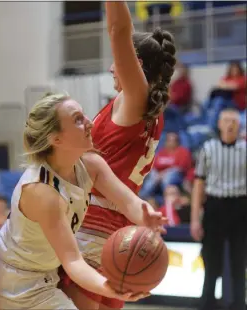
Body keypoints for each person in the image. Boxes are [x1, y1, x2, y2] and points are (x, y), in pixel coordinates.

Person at [0, 93, 168, 309]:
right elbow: (73, 261)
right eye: (78, 119)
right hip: (17, 284)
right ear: (56, 139)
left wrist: (147, 216)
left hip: (46, 275)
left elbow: (128, 202)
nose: (90, 123)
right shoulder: (42, 191)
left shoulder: (90, 164)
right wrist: (108, 286)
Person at [62, 2, 177, 309]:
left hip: (95, 221)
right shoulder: (150, 109)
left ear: (134, 63)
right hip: (119, 226)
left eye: (117, 60)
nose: (113, 66)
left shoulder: (135, 99)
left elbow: (119, 30)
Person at [191, 108, 246, 310]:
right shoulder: (208, 148)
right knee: (211, 263)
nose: (230, 124)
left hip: (240, 207)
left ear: (239, 123)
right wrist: (195, 219)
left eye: (234, 120)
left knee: (239, 263)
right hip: (214, 207)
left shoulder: (246, 148)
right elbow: (198, 185)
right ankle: (207, 304)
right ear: (219, 124)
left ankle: (239, 305)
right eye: (226, 120)